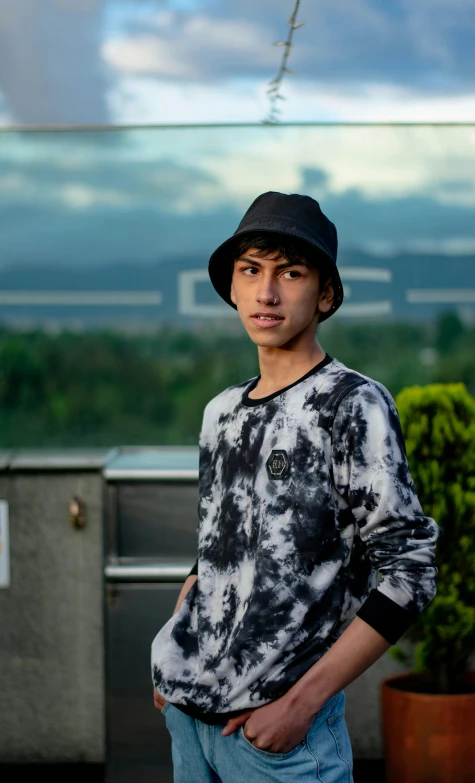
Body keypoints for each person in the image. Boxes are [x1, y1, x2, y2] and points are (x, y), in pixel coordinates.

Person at [151, 191, 439, 783]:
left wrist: (301, 705)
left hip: (276, 740)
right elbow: (215, 551)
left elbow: (413, 570)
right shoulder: (221, 412)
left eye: (291, 272)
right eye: (251, 270)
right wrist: (174, 656)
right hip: (188, 720)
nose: (268, 292)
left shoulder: (351, 404)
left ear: (325, 293)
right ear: (231, 287)